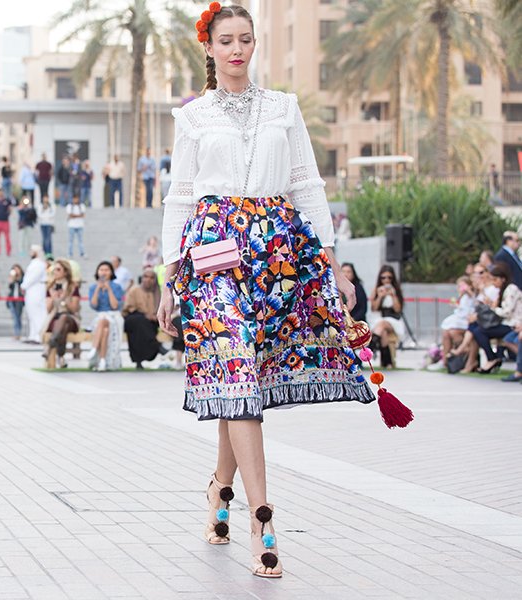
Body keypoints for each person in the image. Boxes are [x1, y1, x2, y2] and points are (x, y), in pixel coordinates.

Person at [155, 4, 375, 579]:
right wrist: (167, 276)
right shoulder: (194, 117)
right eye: (225, 40)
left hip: (278, 254)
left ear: (255, 44)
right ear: (209, 46)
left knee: (244, 382)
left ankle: (218, 491)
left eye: (245, 39)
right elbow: (180, 197)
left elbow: (307, 184)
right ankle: (263, 521)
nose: (236, 49)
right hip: (213, 256)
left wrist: (332, 269)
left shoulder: (284, 108)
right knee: (238, 375)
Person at [123, 267, 166, 369]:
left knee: (143, 325)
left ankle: (141, 359)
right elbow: (129, 308)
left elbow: (161, 309)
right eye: (145, 277)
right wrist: (145, 314)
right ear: (142, 278)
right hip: (134, 317)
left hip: (152, 322)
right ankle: (157, 347)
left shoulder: (158, 292)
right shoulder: (134, 290)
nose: (148, 279)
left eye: (151, 277)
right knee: (138, 320)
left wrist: (155, 316)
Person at [42, 259, 81, 368]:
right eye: (54, 270)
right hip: (55, 317)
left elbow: (74, 309)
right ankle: (61, 356)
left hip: (71, 317)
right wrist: (54, 298)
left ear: (65, 272)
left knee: (64, 318)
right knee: (62, 325)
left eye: (58, 269)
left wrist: (64, 299)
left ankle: (50, 345)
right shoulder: (50, 287)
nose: (55, 272)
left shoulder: (72, 287)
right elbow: (48, 310)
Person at [88, 261, 125, 372]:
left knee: (104, 321)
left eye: (106, 270)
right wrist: (98, 289)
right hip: (100, 316)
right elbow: (93, 305)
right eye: (101, 270)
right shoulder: (93, 287)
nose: (103, 272)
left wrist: (109, 289)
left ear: (111, 272)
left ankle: (94, 349)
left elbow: (115, 306)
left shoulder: (117, 287)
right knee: (104, 329)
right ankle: (103, 361)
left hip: (114, 316)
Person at [369, 265, 405, 368]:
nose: (386, 280)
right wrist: (380, 296)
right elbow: (374, 308)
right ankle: (387, 362)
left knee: (383, 324)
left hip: (394, 321)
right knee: (383, 331)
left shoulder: (396, 290)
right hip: (380, 320)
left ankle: (371, 346)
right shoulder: (377, 290)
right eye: (383, 277)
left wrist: (393, 295)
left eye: (389, 277)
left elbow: (398, 309)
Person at [440, 276, 475, 359]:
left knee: (453, 332)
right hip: (461, 318)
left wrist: (468, 291)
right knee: (446, 333)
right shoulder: (462, 297)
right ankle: (445, 359)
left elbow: (470, 306)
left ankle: (464, 348)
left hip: (467, 320)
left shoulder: (470, 295)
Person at [21, 246, 48, 343]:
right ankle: (33, 335)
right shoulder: (34, 263)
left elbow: (32, 277)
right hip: (31, 290)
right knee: (31, 313)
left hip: (36, 290)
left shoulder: (39, 264)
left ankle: (39, 335)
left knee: (37, 313)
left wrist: (23, 286)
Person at [7, 264, 26, 340]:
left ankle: (18, 333)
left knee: (18, 316)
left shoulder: (23, 278)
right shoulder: (12, 278)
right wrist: (12, 279)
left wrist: (17, 278)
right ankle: (16, 333)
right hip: (12, 299)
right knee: (14, 316)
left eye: (17, 269)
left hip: (19, 300)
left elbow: (22, 285)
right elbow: (10, 287)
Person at [0, 189, 13, 256]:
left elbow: (10, 209)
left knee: (7, 238)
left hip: (5, 221)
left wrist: (7, 215)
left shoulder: (7, 201)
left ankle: (8, 251)